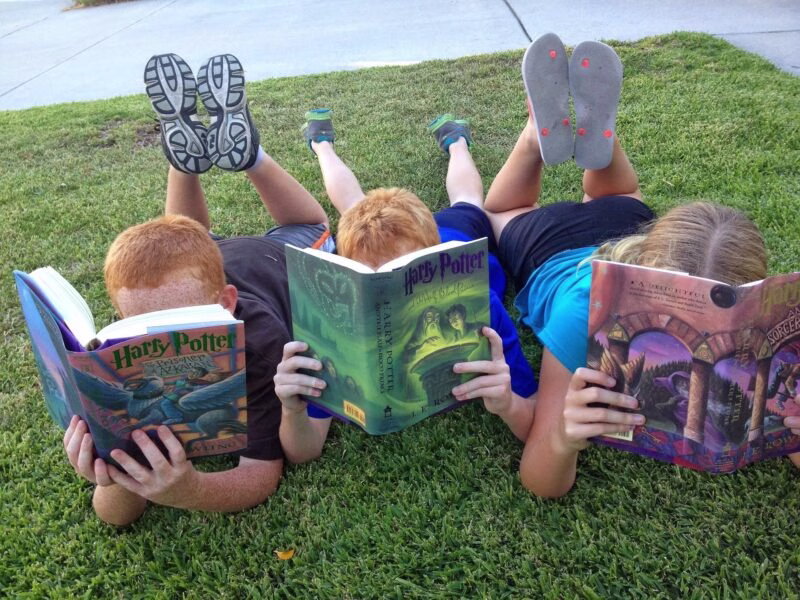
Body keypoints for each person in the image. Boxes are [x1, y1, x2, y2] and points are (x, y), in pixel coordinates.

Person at [480, 33, 798, 497]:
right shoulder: (583, 315)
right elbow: (540, 478)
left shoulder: (776, 333)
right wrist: (564, 438)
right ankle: (536, 138)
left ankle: (597, 139)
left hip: (626, 220)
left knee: (622, 196)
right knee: (502, 211)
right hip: (550, 248)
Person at [61, 53, 335, 525]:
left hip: (276, 259)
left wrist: (191, 490)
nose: (167, 340)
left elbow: (261, 473)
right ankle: (185, 161)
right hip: (205, 258)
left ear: (227, 305)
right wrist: (112, 478)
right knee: (191, 237)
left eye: (185, 324)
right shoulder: (116, 360)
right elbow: (113, 516)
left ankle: (251, 157)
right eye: (145, 325)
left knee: (314, 226)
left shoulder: (259, 338)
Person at [274, 111, 539, 463]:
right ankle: (321, 145)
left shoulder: (482, 307)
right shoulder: (339, 326)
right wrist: (292, 410)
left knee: (468, 202)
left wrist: (508, 403)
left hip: (455, 234)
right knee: (354, 208)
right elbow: (303, 452)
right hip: (379, 241)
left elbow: (533, 418)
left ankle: (456, 141)